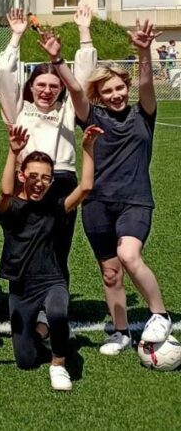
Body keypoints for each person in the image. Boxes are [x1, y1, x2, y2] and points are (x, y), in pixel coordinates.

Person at [65, 19, 173, 352]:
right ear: (98, 94)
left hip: (135, 201)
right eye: (107, 90)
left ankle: (160, 314)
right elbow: (74, 92)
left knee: (128, 254)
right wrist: (57, 61)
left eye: (119, 88)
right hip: (97, 204)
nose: (115, 95)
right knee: (110, 273)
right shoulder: (91, 117)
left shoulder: (144, 114)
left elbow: (145, 84)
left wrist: (143, 52)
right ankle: (121, 332)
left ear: (126, 87)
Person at [0, 124, 101, 391]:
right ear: (22, 175)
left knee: (57, 310)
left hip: (52, 280)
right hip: (21, 286)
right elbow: (6, 193)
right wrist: (13, 151)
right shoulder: (11, 208)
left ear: (51, 181)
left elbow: (86, 187)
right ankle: (44, 329)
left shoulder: (56, 207)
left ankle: (59, 363)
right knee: (26, 360)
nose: (38, 182)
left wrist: (87, 148)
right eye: (33, 175)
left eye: (45, 177)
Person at [0, 6, 96, 288]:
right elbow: (5, 73)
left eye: (54, 86)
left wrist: (84, 32)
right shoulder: (19, 109)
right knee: (22, 242)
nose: (47, 91)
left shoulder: (67, 111)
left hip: (62, 181)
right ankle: (23, 298)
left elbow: (83, 82)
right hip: (25, 181)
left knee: (57, 248)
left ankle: (54, 306)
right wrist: (16, 37)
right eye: (41, 85)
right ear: (31, 86)